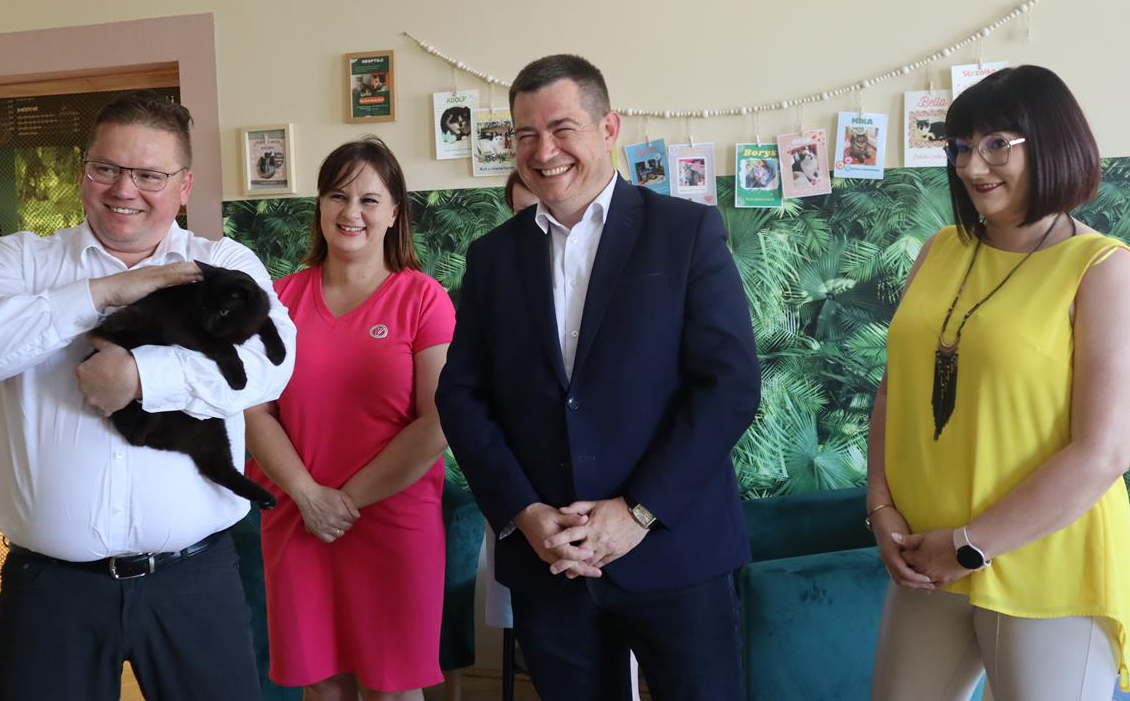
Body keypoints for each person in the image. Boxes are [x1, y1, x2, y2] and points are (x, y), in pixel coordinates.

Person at [0, 91, 295, 701]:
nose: (124, 189)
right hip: (51, 591)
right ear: (85, 171)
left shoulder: (222, 262)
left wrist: (141, 375)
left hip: (196, 582)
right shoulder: (20, 262)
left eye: (149, 174)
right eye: (106, 167)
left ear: (183, 185)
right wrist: (101, 294)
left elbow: (269, 368)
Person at [436, 54, 760, 701]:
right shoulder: (492, 257)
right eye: (525, 135)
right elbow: (462, 396)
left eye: (562, 128)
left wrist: (639, 511)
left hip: (676, 549)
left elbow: (729, 385)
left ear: (608, 127)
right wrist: (523, 512)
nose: (543, 151)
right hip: (549, 559)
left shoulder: (685, 232)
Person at [867, 65, 1130, 700]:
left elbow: (1102, 453)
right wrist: (880, 509)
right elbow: (894, 390)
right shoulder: (939, 249)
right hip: (927, 555)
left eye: (996, 144)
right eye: (960, 147)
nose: (972, 166)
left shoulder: (1103, 268)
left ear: (1051, 143)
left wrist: (968, 547)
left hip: (1047, 562)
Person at [245, 136, 454, 701]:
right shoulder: (279, 300)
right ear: (320, 206)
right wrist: (308, 496)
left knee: (394, 689)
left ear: (394, 212)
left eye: (369, 199)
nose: (351, 212)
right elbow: (254, 411)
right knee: (322, 688)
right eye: (337, 196)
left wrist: (343, 502)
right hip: (298, 517)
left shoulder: (424, 299)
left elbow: (438, 422)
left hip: (394, 522)